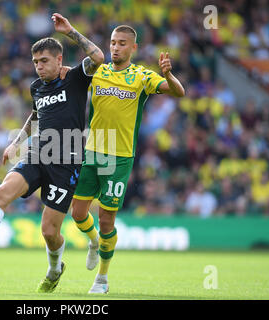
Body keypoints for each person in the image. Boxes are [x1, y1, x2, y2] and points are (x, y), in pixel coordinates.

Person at [0, 13, 104, 293]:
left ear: (58, 60)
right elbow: (36, 115)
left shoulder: (76, 78)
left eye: (44, 61)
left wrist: (70, 31)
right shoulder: (37, 87)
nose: (39, 68)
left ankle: (55, 269)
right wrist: (16, 142)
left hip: (66, 163)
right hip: (39, 153)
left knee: (49, 232)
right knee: (2, 192)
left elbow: (99, 57)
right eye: (35, 63)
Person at [68, 25, 185, 294]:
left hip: (119, 157)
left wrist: (168, 74)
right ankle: (94, 242)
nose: (115, 47)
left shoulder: (142, 76)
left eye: (122, 43)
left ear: (133, 48)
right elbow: (67, 76)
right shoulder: (98, 71)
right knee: (78, 213)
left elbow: (178, 92)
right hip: (91, 152)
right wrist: (70, 32)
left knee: (107, 220)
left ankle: (102, 279)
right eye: (112, 42)